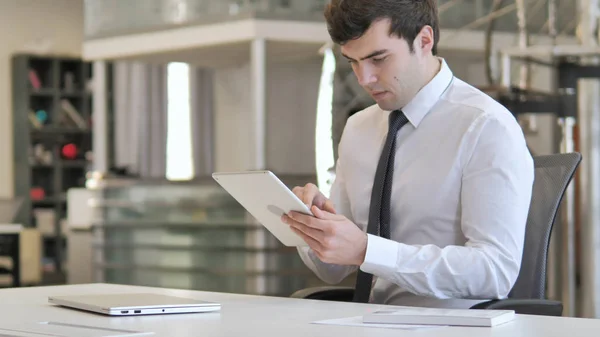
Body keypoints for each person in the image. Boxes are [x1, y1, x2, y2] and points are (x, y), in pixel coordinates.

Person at [281, 0, 534, 309]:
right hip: (371, 323)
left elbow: (494, 272)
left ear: (424, 40)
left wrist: (367, 251)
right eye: (353, 62)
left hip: (453, 328)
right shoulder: (358, 128)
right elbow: (334, 272)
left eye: (378, 59)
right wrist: (316, 229)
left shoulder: (486, 126)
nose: (364, 79)